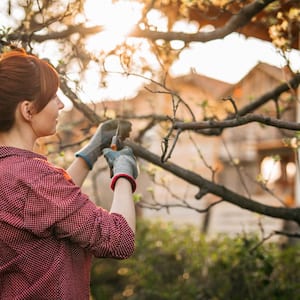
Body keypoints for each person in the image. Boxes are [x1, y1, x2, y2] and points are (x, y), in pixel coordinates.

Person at [0, 48, 138, 299]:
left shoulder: (12, 173)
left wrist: (89, 153)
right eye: (53, 97)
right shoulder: (34, 178)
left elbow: (44, 211)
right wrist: (124, 174)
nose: (61, 104)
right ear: (28, 110)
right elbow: (120, 239)